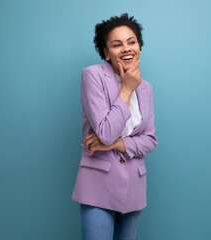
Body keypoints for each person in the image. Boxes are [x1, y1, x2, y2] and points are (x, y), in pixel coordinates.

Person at [72, 13, 157, 240]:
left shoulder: (146, 88)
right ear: (106, 52)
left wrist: (117, 144)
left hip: (135, 185)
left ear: (139, 46)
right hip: (98, 183)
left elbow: (150, 140)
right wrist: (127, 89)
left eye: (132, 41)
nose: (127, 48)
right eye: (117, 44)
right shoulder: (93, 76)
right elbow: (105, 132)